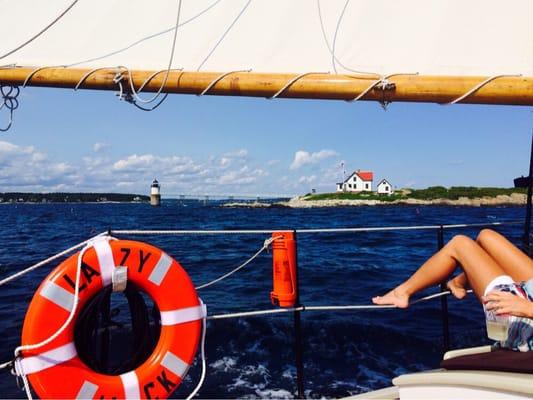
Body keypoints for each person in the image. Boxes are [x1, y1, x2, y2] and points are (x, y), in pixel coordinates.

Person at [372, 229, 533, 351]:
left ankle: (401, 293)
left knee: (459, 244)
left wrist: (526, 308)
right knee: (486, 237)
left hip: (525, 319)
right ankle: (459, 281)